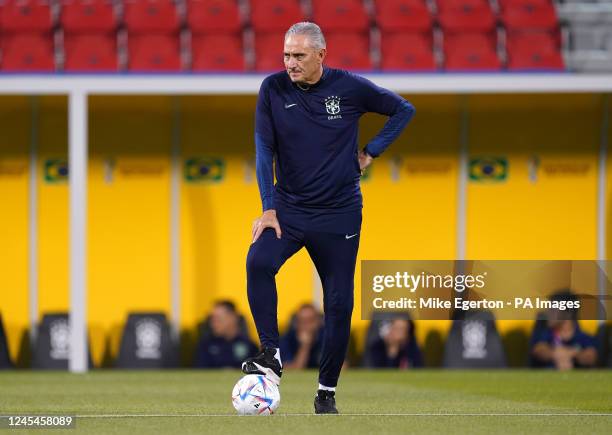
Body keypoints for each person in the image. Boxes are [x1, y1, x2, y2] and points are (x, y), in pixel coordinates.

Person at [241, 22, 415, 414]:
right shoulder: (272, 88)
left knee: (339, 302)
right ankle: (270, 354)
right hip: (288, 209)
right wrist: (267, 208)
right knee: (258, 260)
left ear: (322, 54)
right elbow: (263, 149)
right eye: (286, 55)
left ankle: (326, 392)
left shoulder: (350, 88)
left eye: (299, 55)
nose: (290, 63)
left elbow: (403, 110)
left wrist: (371, 151)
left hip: (339, 213)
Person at [530, 291, 598, 370]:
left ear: (567, 313)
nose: (548, 313)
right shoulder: (545, 334)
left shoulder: (583, 337)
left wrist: (572, 353)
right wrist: (555, 354)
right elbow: (539, 350)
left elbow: (591, 356)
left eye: (553, 308)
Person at [194, 301, 257, 368]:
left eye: (218, 319)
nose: (213, 324)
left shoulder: (250, 346)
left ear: (233, 318)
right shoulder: (206, 345)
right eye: (212, 319)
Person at [280, 304, 324, 369]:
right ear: (295, 323)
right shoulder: (286, 341)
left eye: (310, 321)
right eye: (302, 321)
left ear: (319, 322)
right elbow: (293, 370)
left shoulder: (327, 339)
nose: (306, 325)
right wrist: (305, 347)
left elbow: (341, 369)